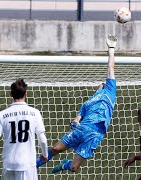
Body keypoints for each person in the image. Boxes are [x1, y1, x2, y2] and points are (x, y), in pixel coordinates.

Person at [36, 35, 118, 174]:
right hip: (81, 130)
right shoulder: (88, 102)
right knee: (55, 149)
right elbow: (77, 118)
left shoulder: (110, 90)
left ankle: (64, 165)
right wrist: (75, 122)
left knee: (74, 168)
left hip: (95, 134)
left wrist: (111, 49)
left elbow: (110, 68)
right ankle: (34, 166)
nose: (102, 83)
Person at [0, 79, 48, 180]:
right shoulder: (35, 113)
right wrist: (45, 155)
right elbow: (42, 139)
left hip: (9, 164)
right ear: (26, 93)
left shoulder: (3, 114)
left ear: (11, 94)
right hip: (27, 165)